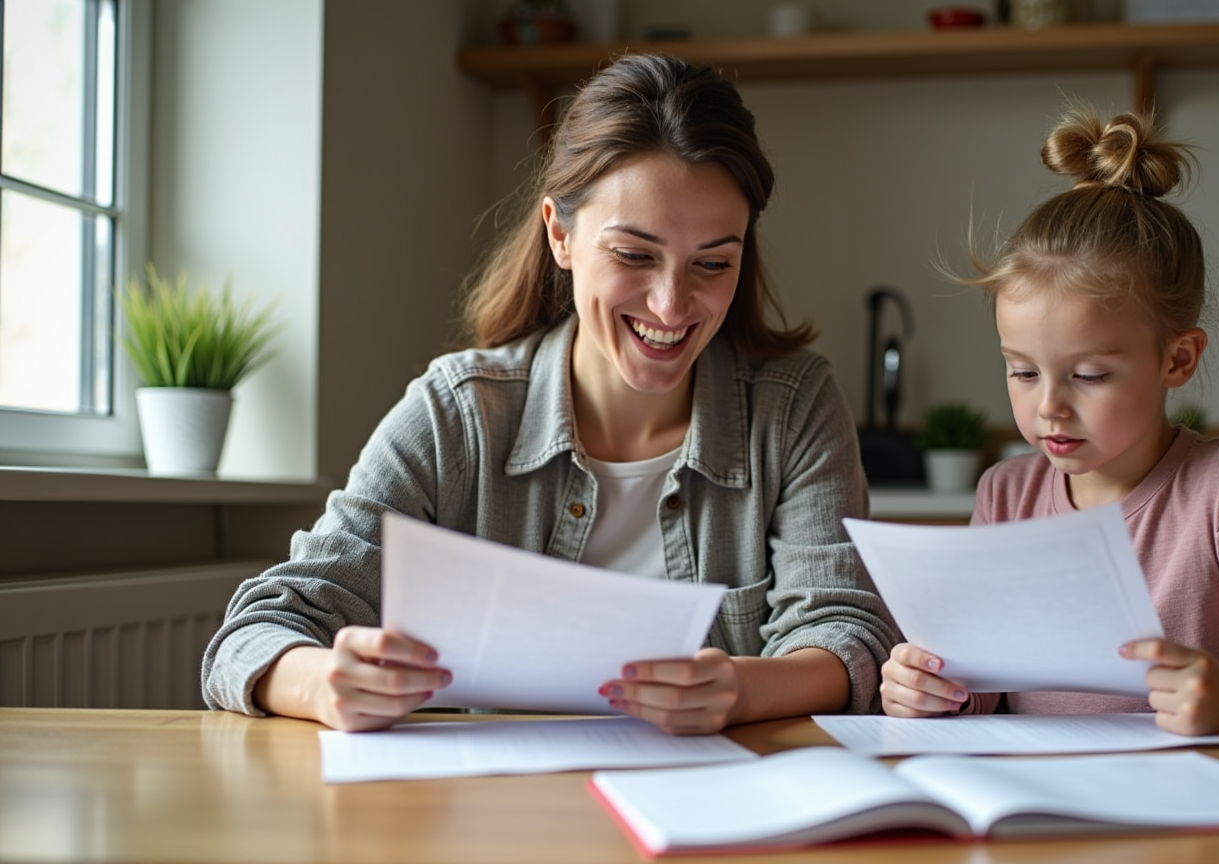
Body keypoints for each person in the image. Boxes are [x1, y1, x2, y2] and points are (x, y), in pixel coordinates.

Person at [201, 54, 897, 735]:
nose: (671, 304)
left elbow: (846, 632)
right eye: (633, 255)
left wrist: (740, 690)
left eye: (713, 263)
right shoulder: (458, 413)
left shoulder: (793, 405)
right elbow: (259, 629)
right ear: (560, 234)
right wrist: (324, 683)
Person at [880, 106, 1219, 735]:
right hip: (1042, 807)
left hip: (1197, 810)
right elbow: (985, 688)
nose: (1048, 405)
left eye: (1088, 375)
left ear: (1177, 358)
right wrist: (933, 689)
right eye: (1023, 372)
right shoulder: (1006, 495)